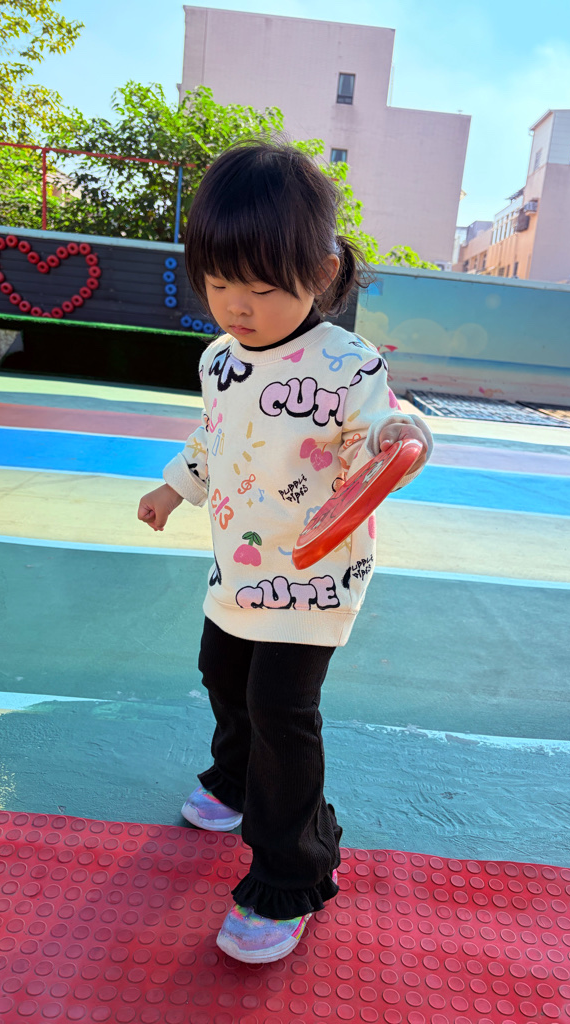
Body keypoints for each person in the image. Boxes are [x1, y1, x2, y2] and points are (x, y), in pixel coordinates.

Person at [137, 139, 433, 964]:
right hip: (239, 567)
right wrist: (173, 488)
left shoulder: (347, 365)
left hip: (315, 576)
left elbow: (379, 430)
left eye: (263, 288)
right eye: (219, 282)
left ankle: (291, 873)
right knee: (221, 673)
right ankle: (236, 780)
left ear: (322, 273)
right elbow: (212, 438)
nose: (238, 306)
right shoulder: (217, 361)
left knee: (280, 708)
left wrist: (399, 436)